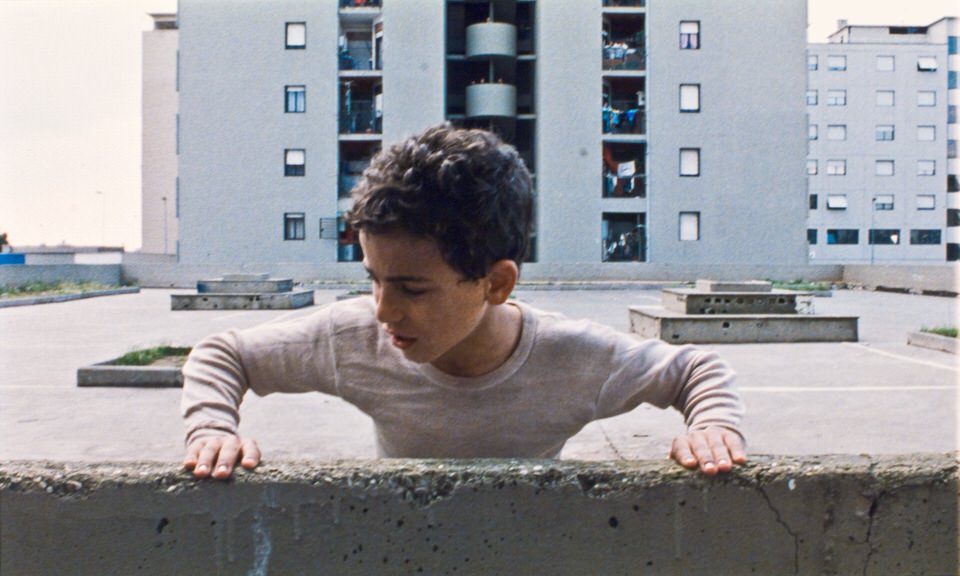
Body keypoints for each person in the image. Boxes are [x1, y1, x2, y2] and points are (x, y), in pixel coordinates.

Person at [181, 124, 746, 480]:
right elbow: (222, 354)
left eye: (412, 288)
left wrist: (713, 427)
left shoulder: (573, 358)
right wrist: (212, 430)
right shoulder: (353, 339)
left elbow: (696, 368)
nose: (383, 310)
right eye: (373, 279)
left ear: (496, 284)